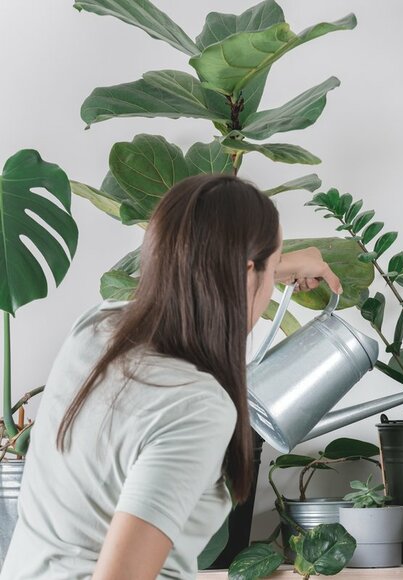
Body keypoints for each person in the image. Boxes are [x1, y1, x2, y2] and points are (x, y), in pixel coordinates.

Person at [0, 174, 342, 579]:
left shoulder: (96, 330)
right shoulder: (196, 405)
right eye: (269, 269)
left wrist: (273, 264)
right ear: (248, 273)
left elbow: (192, 273)